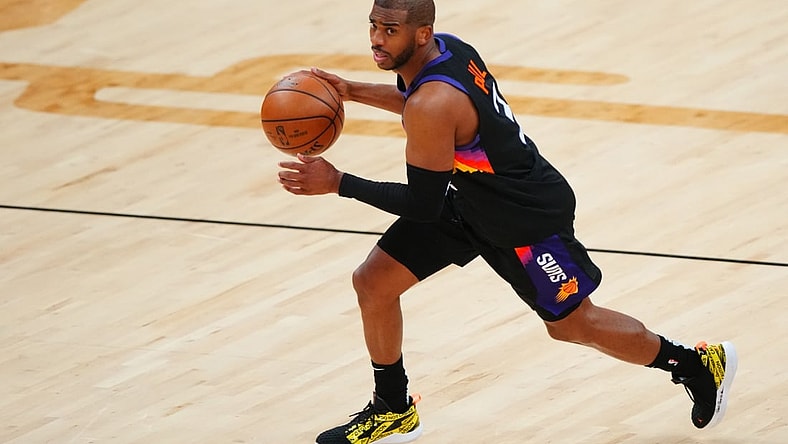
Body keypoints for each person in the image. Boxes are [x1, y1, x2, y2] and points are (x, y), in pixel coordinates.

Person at [277, 1, 737, 442]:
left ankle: (694, 365)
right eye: (373, 26)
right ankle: (393, 408)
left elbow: (422, 201)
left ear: (422, 34)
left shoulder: (433, 103)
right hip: (470, 199)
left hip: (524, 218)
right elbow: (416, 102)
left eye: (389, 30)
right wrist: (351, 91)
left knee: (574, 325)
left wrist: (338, 182)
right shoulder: (449, 51)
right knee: (373, 283)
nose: (377, 39)